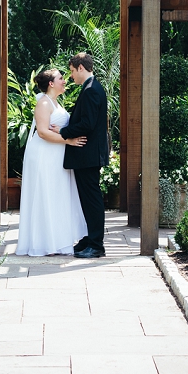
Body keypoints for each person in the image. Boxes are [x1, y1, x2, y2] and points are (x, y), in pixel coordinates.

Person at [15, 68, 88, 257]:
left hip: (56, 154)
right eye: (61, 78)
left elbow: (56, 128)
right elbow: (41, 132)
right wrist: (68, 140)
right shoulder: (44, 103)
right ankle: (44, 243)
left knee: (56, 195)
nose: (64, 81)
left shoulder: (55, 102)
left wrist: (63, 133)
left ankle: (57, 242)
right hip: (43, 155)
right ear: (51, 83)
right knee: (45, 194)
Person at [56, 52, 109, 259]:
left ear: (80, 67)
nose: (70, 76)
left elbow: (87, 124)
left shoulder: (91, 90)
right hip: (87, 155)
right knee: (87, 200)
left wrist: (63, 132)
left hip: (88, 154)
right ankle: (89, 239)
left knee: (92, 200)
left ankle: (96, 245)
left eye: (71, 71)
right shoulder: (91, 88)